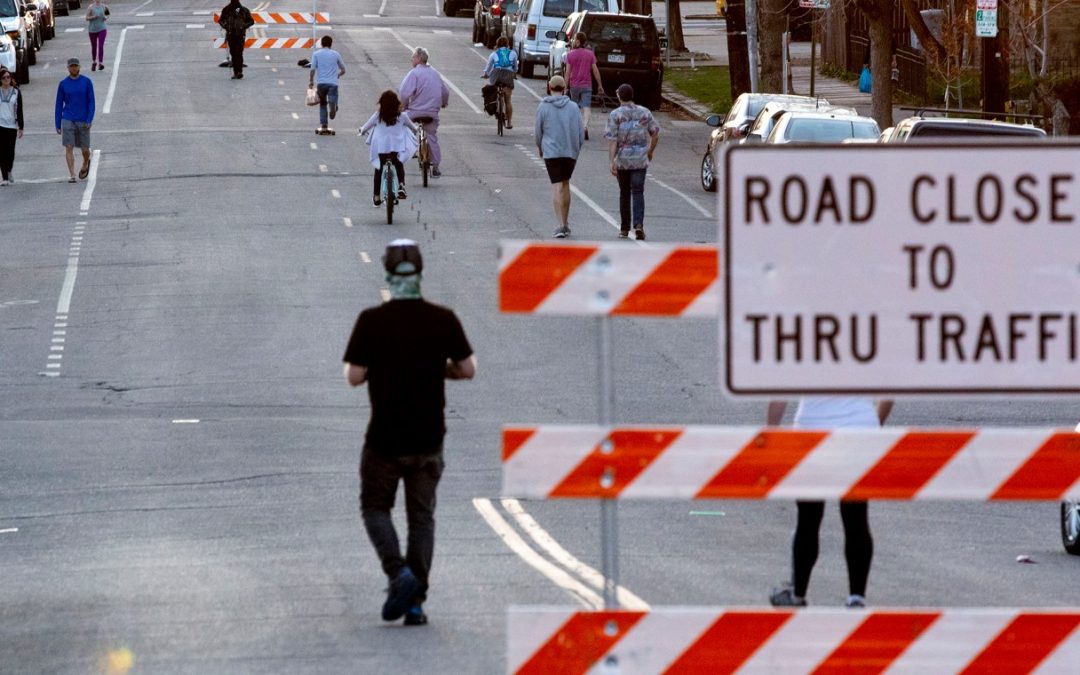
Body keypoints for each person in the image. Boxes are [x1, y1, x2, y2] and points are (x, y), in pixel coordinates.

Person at [343, 238, 476, 627]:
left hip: (383, 438)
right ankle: (415, 599)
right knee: (422, 518)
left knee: (374, 508)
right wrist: (440, 369)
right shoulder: (443, 318)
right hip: (429, 438)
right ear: (420, 274)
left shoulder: (371, 321)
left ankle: (397, 573)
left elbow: (354, 376)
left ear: (386, 274)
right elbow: (468, 369)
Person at [767, 397, 894, 609]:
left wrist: (770, 435)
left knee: (808, 518)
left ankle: (797, 595)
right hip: (859, 428)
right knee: (856, 517)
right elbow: (890, 389)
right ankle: (856, 599)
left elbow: (780, 392)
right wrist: (874, 422)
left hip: (811, 427)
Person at [605, 83, 659, 241]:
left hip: (623, 159)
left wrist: (612, 161)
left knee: (624, 193)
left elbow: (613, 140)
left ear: (619, 96)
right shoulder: (644, 112)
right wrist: (650, 151)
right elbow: (655, 134)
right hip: (640, 159)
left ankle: (624, 228)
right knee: (638, 191)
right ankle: (638, 225)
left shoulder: (615, 115)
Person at [534, 75, 583, 239]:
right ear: (564, 88)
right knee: (566, 183)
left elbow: (538, 130)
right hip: (570, 151)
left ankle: (560, 224)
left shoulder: (543, 107)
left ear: (549, 87)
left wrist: (540, 147)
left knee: (556, 185)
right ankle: (566, 222)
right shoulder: (574, 107)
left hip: (552, 151)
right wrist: (577, 149)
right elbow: (580, 131)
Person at [360, 90, 418, 207]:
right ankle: (401, 185)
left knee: (378, 170)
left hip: (381, 150)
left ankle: (376, 196)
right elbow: (413, 128)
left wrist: (361, 131)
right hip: (396, 149)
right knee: (398, 164)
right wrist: (414, 131)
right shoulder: (402, 116)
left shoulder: (378, 116)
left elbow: (366, 127)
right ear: (396, 103)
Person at [399, 47, 449, 178]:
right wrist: (444, 103)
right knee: (431, 136)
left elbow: (404, 93)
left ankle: (411, 148)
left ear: (419, 59)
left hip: (414, 112)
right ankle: (436, 166)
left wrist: (403, 107)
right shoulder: (435, 73)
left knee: (403, 123)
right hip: (432, 113)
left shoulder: (414, 73)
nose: (411, 59)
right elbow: (445, 92)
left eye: (413, 57)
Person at [55, 58, 95, 184]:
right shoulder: (63, 84)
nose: (73, 68)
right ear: (68, 68)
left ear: (79, 67)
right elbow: (59, 104)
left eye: (75, 66)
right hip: (67, 118)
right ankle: (72, 174)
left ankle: (85, 162)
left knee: (84, 149)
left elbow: (91, 102)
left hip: (83, 119)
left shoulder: (87, 82)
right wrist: (57, 123)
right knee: (69, 146)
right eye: (71, 66)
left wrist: (89, 119)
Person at [563, 32, 604, 140]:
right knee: (586, 107)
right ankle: (585, 126)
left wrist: (565, 87)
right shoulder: (590, 54)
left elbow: (567, 72)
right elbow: (595, 70)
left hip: (574, 85)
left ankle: (576, 128)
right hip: (587, 84)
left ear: (577, 41)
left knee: (575, 107)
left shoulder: (570, 54)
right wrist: (600, 85)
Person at [308, 35, 346, 133]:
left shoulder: (316, 54)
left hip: (321, 83)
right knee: (333, 96)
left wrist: (311, 81)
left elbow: (312, 69)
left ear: (321, 44)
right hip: (333, 83)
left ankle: (324, 124)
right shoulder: (336, 54)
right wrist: (338, 74)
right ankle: (333, 105)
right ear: (331, 44)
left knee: (323, 103)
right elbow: (343, 70)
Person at [481, 36, 517, 129]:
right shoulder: (512, 53)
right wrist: (514, 74)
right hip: (508, 75)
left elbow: (489, 66)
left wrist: (486, 74)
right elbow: (515, 67)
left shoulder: (494, 54)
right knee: (508, 100)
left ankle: (497, 104)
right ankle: (509, 122)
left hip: (496, 74)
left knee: (494, 88)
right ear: (508, 44)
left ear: (497, 44)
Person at [217, 0, 254, 80]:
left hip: (240, 35)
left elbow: (251, 21)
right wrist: (226, 26)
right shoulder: (226, 10)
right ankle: (235, 72)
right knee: (233, 53)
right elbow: (220, 20)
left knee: (239, 53)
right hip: (231, 35)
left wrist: (243, 26)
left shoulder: (244, 10)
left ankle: (239, 71)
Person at [0, 68, 24, 186]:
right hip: (0, 125)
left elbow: (19, 110)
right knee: (1, 152)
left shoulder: (16, 92)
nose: (6, 79)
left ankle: (9, 170)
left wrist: (21, 127)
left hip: (11, 125)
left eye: (8, 77)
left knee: (10, 152)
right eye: (4, 78)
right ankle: (4, 177)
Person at [84, 0, 109, 72]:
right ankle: (94, 61)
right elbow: (86, 18)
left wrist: (105, 18)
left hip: (102, 28)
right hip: (92, 29)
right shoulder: (91, 7)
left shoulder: (104, 6)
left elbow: (108, 14)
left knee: (101, 46)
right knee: (94, 46)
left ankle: (101, 63)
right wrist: (93, 17)